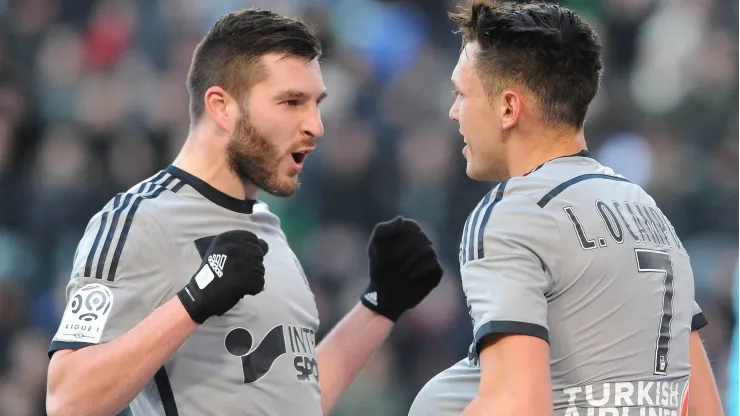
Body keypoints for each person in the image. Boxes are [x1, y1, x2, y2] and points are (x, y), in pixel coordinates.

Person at [44, 9, 443, 416]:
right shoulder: (141, 219)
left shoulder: (268, 228)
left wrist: (379, 307)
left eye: (316, 104)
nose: (316, 126)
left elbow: (290, 401)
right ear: (222, 108)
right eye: (291, 102)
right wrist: (195, 299)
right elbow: (67, 400)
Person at [408, 1, 724, 415]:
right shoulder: (647, 212)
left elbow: (518, 403)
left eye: (461, 94)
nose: (453, 113)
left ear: (508, 108)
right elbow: (701, 406)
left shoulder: (514, 213)